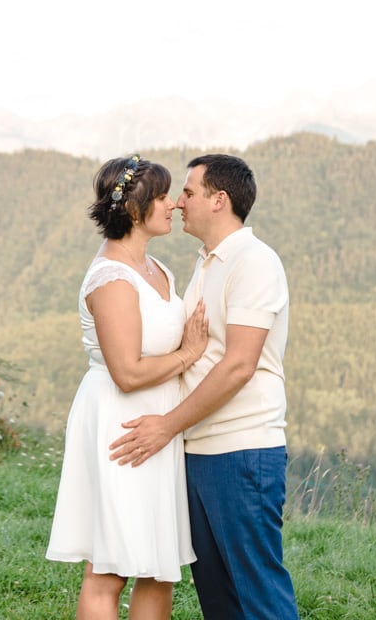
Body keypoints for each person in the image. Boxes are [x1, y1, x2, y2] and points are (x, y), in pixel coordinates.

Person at [110, 153, 298, 620]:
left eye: (189, 193)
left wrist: (166, 426)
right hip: (200, 451)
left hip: (242, 450)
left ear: (219, 200)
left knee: (258, 594)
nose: (177, 203)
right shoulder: (207, 262)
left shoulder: (254, 262)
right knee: (219, 599)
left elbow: (239, 365)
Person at [46, 154, 210, 620]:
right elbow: (128, 372)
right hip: (122, 423)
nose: (175, 205)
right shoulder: (112, 278)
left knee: (158, 568)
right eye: (162, 197)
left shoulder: (158, 270)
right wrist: (188, 355)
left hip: (160, 423)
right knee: (110, 569)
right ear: (136, 210)